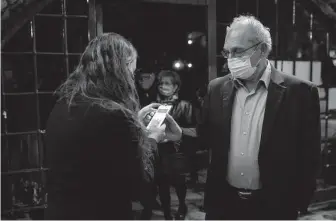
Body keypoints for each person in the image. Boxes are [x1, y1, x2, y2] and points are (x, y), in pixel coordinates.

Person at [44, 33, 182, 220]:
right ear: (120, 70)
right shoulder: (115, 115)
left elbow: (97, 157)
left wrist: (134, 123)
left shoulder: (64, 103)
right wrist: (152, 138)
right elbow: (137, 186)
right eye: (131, 72)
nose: (132, 80)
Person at [199, 15, 321, 220]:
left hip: (275, 205)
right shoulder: (217, 88)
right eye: (227, 52)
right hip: (224, 203)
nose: (230, 58)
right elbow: (205, 135)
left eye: (238, 51)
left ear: (262, 50)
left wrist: (299, 200)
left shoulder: (300, 92)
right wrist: (178, 134)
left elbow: (309, 154)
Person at [153, 70, 197, 220]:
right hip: (159, 151)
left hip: (177, 151)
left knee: (179, 182)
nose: (162, 86)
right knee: (162, 183)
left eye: (167, 83)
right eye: (160, 83)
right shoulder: (154, 105)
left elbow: (194, 130)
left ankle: (181, 206)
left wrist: (174, 131)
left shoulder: (185, 105)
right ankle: (166, 211)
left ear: (176, 86)